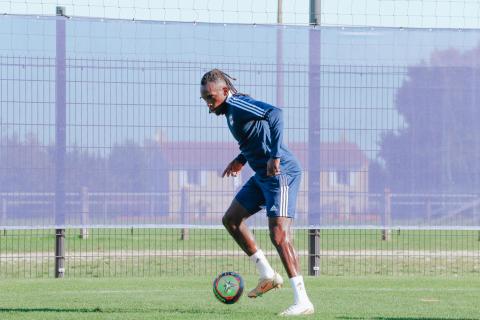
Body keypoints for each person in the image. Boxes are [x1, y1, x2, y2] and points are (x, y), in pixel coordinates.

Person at [200, 69, 314, 316]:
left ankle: (302, 300)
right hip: (262, 176)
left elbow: (275, 114)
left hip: (281, 173)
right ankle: (267, 274)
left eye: (211, 97)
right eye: (205, 99)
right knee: (231, 220)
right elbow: (255, 136)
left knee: (279, 235)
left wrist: (274, 156)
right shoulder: (230, 111)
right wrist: (241, 158)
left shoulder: (237, 103)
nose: (209, 104)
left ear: (225, 91)